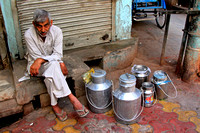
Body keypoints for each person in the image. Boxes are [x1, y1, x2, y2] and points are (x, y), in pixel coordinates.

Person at [24, 9, 89, 121]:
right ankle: (72, 98)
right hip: (36, 67)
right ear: (34, 24)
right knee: (54, 66)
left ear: (51, 23)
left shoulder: (57, 31)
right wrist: (57, 61)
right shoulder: (28, 35)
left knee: (52, 71)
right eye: (39, 26)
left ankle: (54, 105)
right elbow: (36, 58)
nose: (43, 30)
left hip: (50, 64)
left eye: (46, 25)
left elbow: (58, 54)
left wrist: (58, 61)